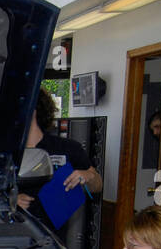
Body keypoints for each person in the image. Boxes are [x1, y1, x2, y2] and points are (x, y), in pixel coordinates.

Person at [16, 87, 102, 227]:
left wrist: (87, 176)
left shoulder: (67, 147)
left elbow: (97, 185)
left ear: (34, 108)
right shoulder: (5, 152)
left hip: (55, 236)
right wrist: (11, 201)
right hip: (14, 231)